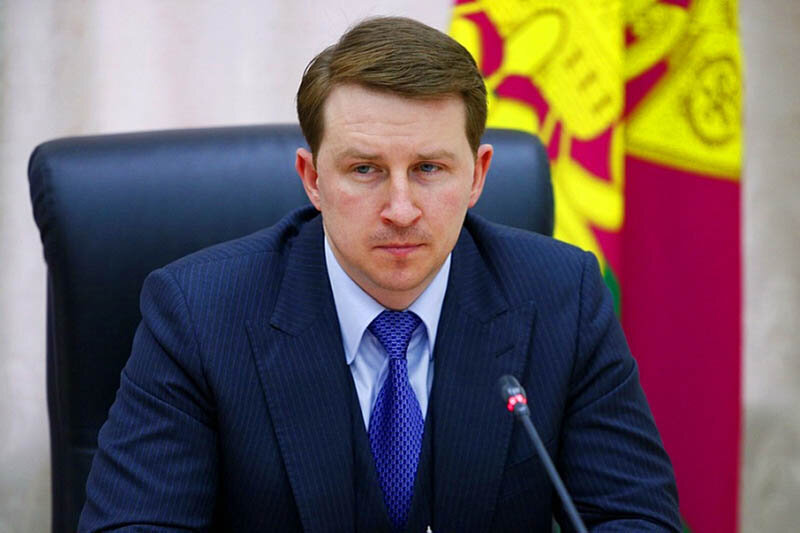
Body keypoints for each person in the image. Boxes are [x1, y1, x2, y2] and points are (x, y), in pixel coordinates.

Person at [79, 16, 681, 532]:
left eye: (428, 169)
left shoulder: (563, 299)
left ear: (477, 175)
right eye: (365, 170)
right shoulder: (198, 313)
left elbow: (636, 518)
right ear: (313, 179)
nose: (400, 209)